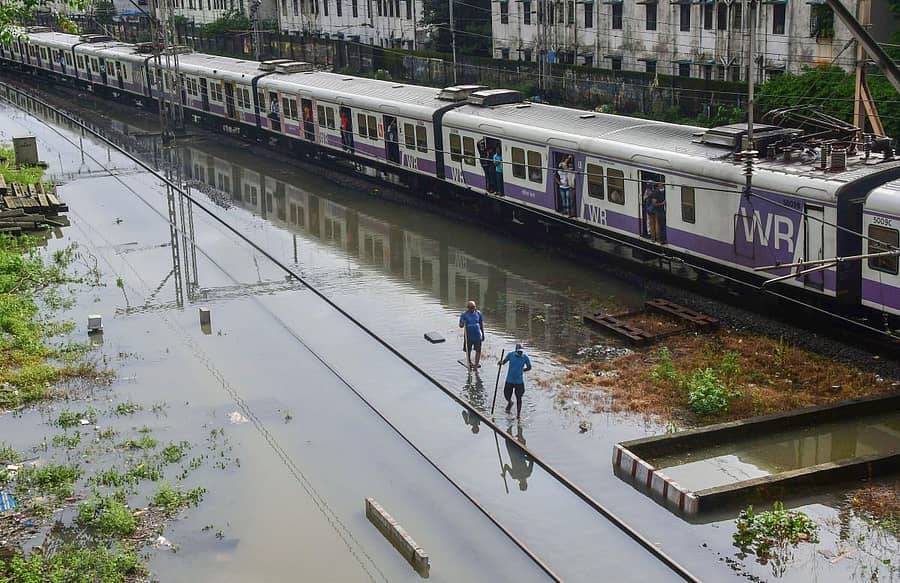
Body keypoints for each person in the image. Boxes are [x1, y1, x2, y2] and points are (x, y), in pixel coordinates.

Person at [500, 343, 532, 419]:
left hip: (519, 382)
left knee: (519, 398)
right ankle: (510, 402)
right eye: (518, 351)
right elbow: (504, 362)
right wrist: (500, 362)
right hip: (509, 380)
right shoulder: (510, 355)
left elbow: (529, 367)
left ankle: (518, 415)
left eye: (521, 351)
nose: (520, 353)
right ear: (515, 351)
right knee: (506, 395)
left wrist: (523, 370)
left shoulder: (525, 358)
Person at [502, 424, 533, 491]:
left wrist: (524, 457)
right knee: (510, 432)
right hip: (513, 451)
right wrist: (504, 473)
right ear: (520, 484)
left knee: (518, 433)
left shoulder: (527, 473)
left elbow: (531, 461)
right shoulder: (514, 476)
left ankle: (517, 421)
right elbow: (506, 466)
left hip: (519, 452)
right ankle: (513, 421)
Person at [458, 300, 484, 369]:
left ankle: (476, 364)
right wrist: (462, 323)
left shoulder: (478, 313)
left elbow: (481, 324)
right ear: (468, 308)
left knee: (478, 350)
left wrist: (483, 334)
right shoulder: (464, 314)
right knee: (468, 350)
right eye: (471, 307)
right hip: (468, 337)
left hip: (477, 336)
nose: (473, 309)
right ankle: (469, 361)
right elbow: (460, 325)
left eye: (474, 307)